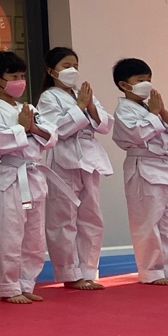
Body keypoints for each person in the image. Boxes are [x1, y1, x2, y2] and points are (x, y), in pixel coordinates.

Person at [0, 50, 71, 304]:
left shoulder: (28, 108)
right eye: (14, 76)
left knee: (34, 237)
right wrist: (22, 128)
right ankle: (8, 286)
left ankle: (26, 282)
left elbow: (51, 137)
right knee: (9, 235)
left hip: (34, 175)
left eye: (22, 76)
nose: (20, 81)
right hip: (11, 176)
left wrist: (31, 127)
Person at [36, 47, 113, 291]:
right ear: (51, 71)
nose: (72, 71)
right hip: (64, 158)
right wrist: (79, 108)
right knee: (63, 216)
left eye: (75, 66)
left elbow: (104, 124)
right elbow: (56, 129)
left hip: (90, 159)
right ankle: (69, 272)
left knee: (91, 216)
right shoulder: (49, 97)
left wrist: (88, 106)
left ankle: (89, 270)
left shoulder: (83, 93)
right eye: (66, 66)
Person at [111, 58, 168, 286]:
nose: (147, 84)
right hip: (142, 168)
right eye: (141, 80)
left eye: (149, 79)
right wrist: (154, 114)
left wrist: (161, 111)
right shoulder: (124, 110)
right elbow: (137, 135)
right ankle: (151, 271)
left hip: (162, 167)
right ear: (125, 85)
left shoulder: (148, 108)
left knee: (166, 221)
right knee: (146, 221)